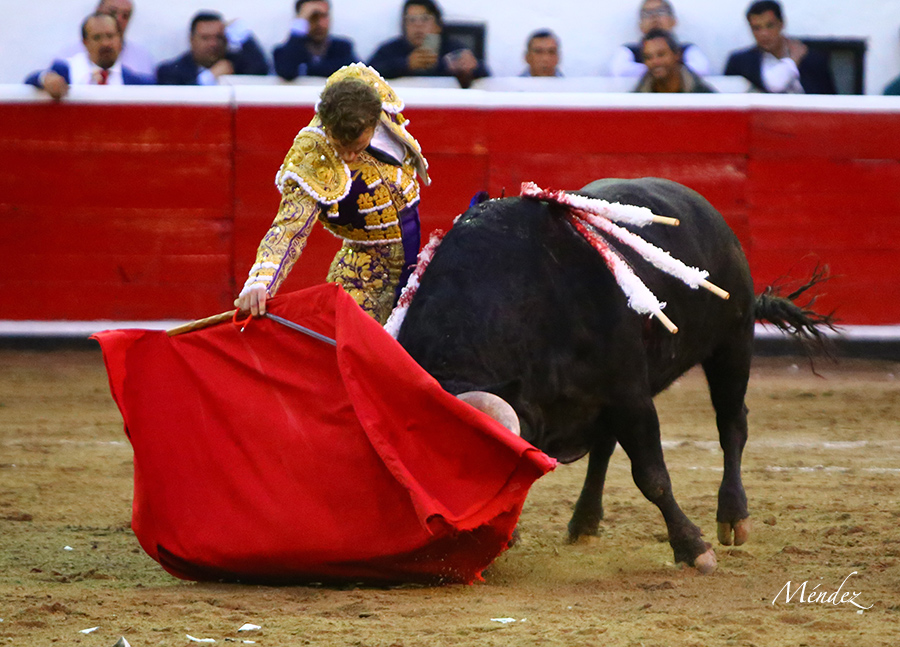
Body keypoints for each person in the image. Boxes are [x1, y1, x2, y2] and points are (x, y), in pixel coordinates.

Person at [236, 63, 430, 325]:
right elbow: (289, 228)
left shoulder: (369, 93)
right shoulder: (313, 157)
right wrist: (260, 280)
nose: (349, 156)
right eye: (341, 147)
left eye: (357, 147)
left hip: (417, 260)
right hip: (365, 275)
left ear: (375, 122)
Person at [25, 12, 154, 100]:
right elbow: (31, 81)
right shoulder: (65, 70)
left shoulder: (137, 82)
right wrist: (46, 79)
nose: (105, 43)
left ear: (120, 39)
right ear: (85, 42)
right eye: (97, 37)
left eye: (110, 36)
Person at [367, 0, 488, 88]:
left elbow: (485, 75)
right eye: (412, 20)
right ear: (403, 26)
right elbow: (366, 75)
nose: (418, 26)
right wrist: (406, 64)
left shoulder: (452, 48)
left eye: (424, 19)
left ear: (438, 25)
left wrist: (471, 69)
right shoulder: (390, 49)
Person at [724, 0, 836, 94]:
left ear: (781, 24)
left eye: (770, 26)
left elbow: (829, 102)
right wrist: (792, 62)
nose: (764, 34)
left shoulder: (812, 60)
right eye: (757, 28)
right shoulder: (740, 63)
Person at [156, 11, 269, 85]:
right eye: (205, 38)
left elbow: (261, 71)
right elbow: (176, 100)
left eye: (219, 37)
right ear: (191, 39)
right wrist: (209, 77)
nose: (213, 44)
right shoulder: (170, 71)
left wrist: (243, 35)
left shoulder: (235, 63)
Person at [54, 0, 156, 77]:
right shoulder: (68, 56)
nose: (119, 19)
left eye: (125, 16)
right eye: (112, 12)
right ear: (97, 11)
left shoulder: (143, 58)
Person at [610, 0, 710, 78]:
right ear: (640, 25)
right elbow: (619, 70)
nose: (654, 17)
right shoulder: (629, 51)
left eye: (661, 11)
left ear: (673, 21)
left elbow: (701, 69)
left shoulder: (687, 49)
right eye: (647, 14)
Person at [273, 0, 359, 80]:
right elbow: (286, 71)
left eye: (324, 16)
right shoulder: (285, 51)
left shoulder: (342, 48)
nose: (320, 24)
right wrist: (299, 27)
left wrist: (305, 69)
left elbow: (353, 72)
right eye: (313, 17)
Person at [633, 29, 714, 93]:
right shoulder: (636, 99)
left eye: (661, 55)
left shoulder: (704, 95)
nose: (655, 62)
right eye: (648, 57)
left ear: (677, 55)